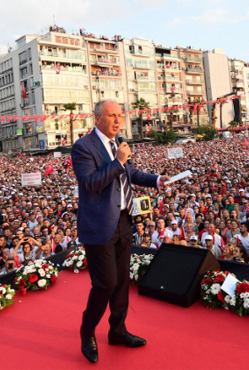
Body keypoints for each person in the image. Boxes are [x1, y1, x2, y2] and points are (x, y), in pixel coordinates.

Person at [71, 100, 170, 364]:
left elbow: (130, 173)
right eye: (112, 116)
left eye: (120, 115)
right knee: (105, 284)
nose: (118, 120)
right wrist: (118, 161)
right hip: (99, 226)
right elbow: (90, 184)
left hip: (123, 222)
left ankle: (117, 330)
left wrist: (156, 180)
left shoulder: (119, 145)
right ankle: (87, 330)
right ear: (98, 119)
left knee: (122, 282)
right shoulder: (83, 147)